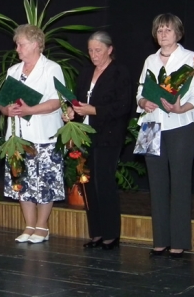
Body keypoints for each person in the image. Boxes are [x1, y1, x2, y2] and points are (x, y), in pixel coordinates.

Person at [136, 13, 194, 258]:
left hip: (179, 125)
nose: (163, 34)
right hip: (150, 127)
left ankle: (179, 241)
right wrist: (143, 102)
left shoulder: (191, 58)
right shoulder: (150, 59)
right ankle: (160, 240)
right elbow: (140, 91)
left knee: (180, 183)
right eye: (159, 30)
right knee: (156, 184)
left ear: (178, 33)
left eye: (168, 30)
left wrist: (180, 108)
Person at [63, 31, 132, 250]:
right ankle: (97, 233)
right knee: (89, 184)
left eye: (98, 50)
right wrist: (72, 112)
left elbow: (123, 106)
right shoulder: (86, 72)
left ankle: (111, 234)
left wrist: (94, 110)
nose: (93, 55)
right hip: (86, 135)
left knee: (104, 182)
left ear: (110, 50)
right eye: (90, 50)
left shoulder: (119, 72)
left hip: (108, 135)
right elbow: (78, 101)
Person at [0, 25, 65, 244]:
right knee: (22, 182)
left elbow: (56, 101)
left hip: (44, 134)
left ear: (36, 44)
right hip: (18, 136)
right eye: (16, 45)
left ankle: (42, 226)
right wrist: (7, 110)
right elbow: (2, 104)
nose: (17, 49)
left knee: (45, 182)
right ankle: (29, 225)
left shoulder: (52, 68)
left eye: (21, 44)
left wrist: (30, 110)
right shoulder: (13, 71)